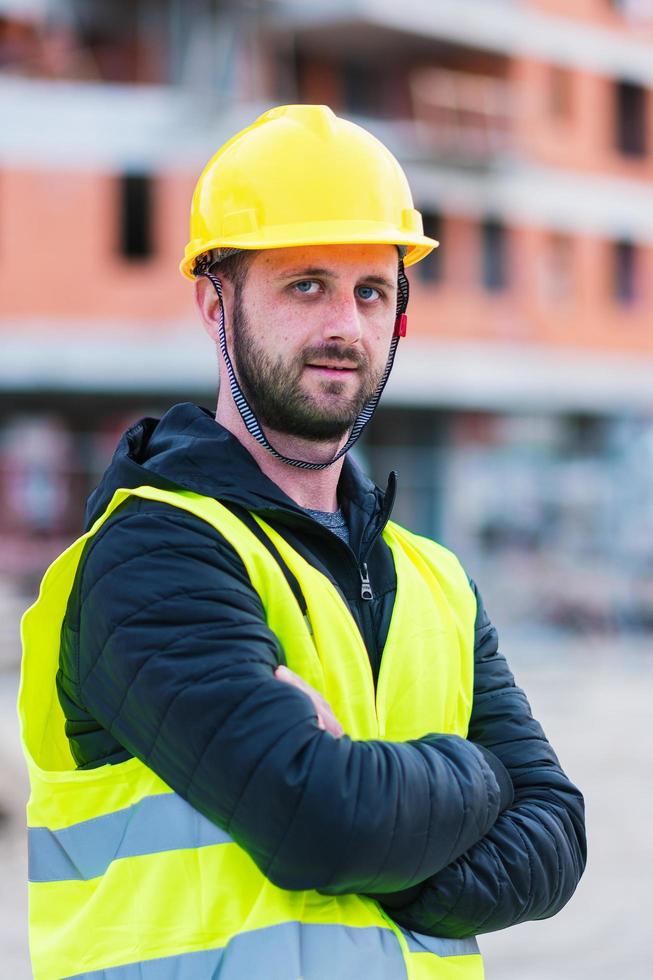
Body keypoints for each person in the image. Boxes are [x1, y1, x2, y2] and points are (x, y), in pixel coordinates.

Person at [19, 105, 586, 980]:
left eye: (370, 291)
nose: (344, 328)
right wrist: (478, 777)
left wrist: (372, 804)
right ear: (215, 304)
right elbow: (315, 822)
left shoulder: (434, 579)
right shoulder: (150, 557)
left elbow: (557, 836)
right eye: (305, 285)